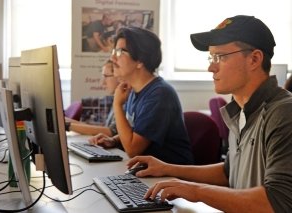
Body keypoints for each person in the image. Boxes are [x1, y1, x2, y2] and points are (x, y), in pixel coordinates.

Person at [127, 15, 292, 212]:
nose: (211, 67)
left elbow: (278, 201)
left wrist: (197, 191)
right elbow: (228, 172)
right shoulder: (240, 110)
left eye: (221, 57)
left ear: (254, 59)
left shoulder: (283, 113)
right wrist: (167, 169)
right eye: (211, 57)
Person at [89, 27, 194, 165]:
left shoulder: (160, 94)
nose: (112, 58)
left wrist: (117, 105)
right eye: (114, 51)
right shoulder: (134, 90)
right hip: (147, 172)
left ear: (140, 61)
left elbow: (133, 150)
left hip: (171, 178)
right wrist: (113, 140)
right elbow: (135, 130)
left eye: (120, 52)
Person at [66, 60, 118, 136]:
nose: (103, 82)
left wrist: (68, 125)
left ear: (119, 75)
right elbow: (105, 129)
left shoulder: (125, 101)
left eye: (106, 76)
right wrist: (67, 122)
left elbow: (110, 132)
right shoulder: (115, 98)